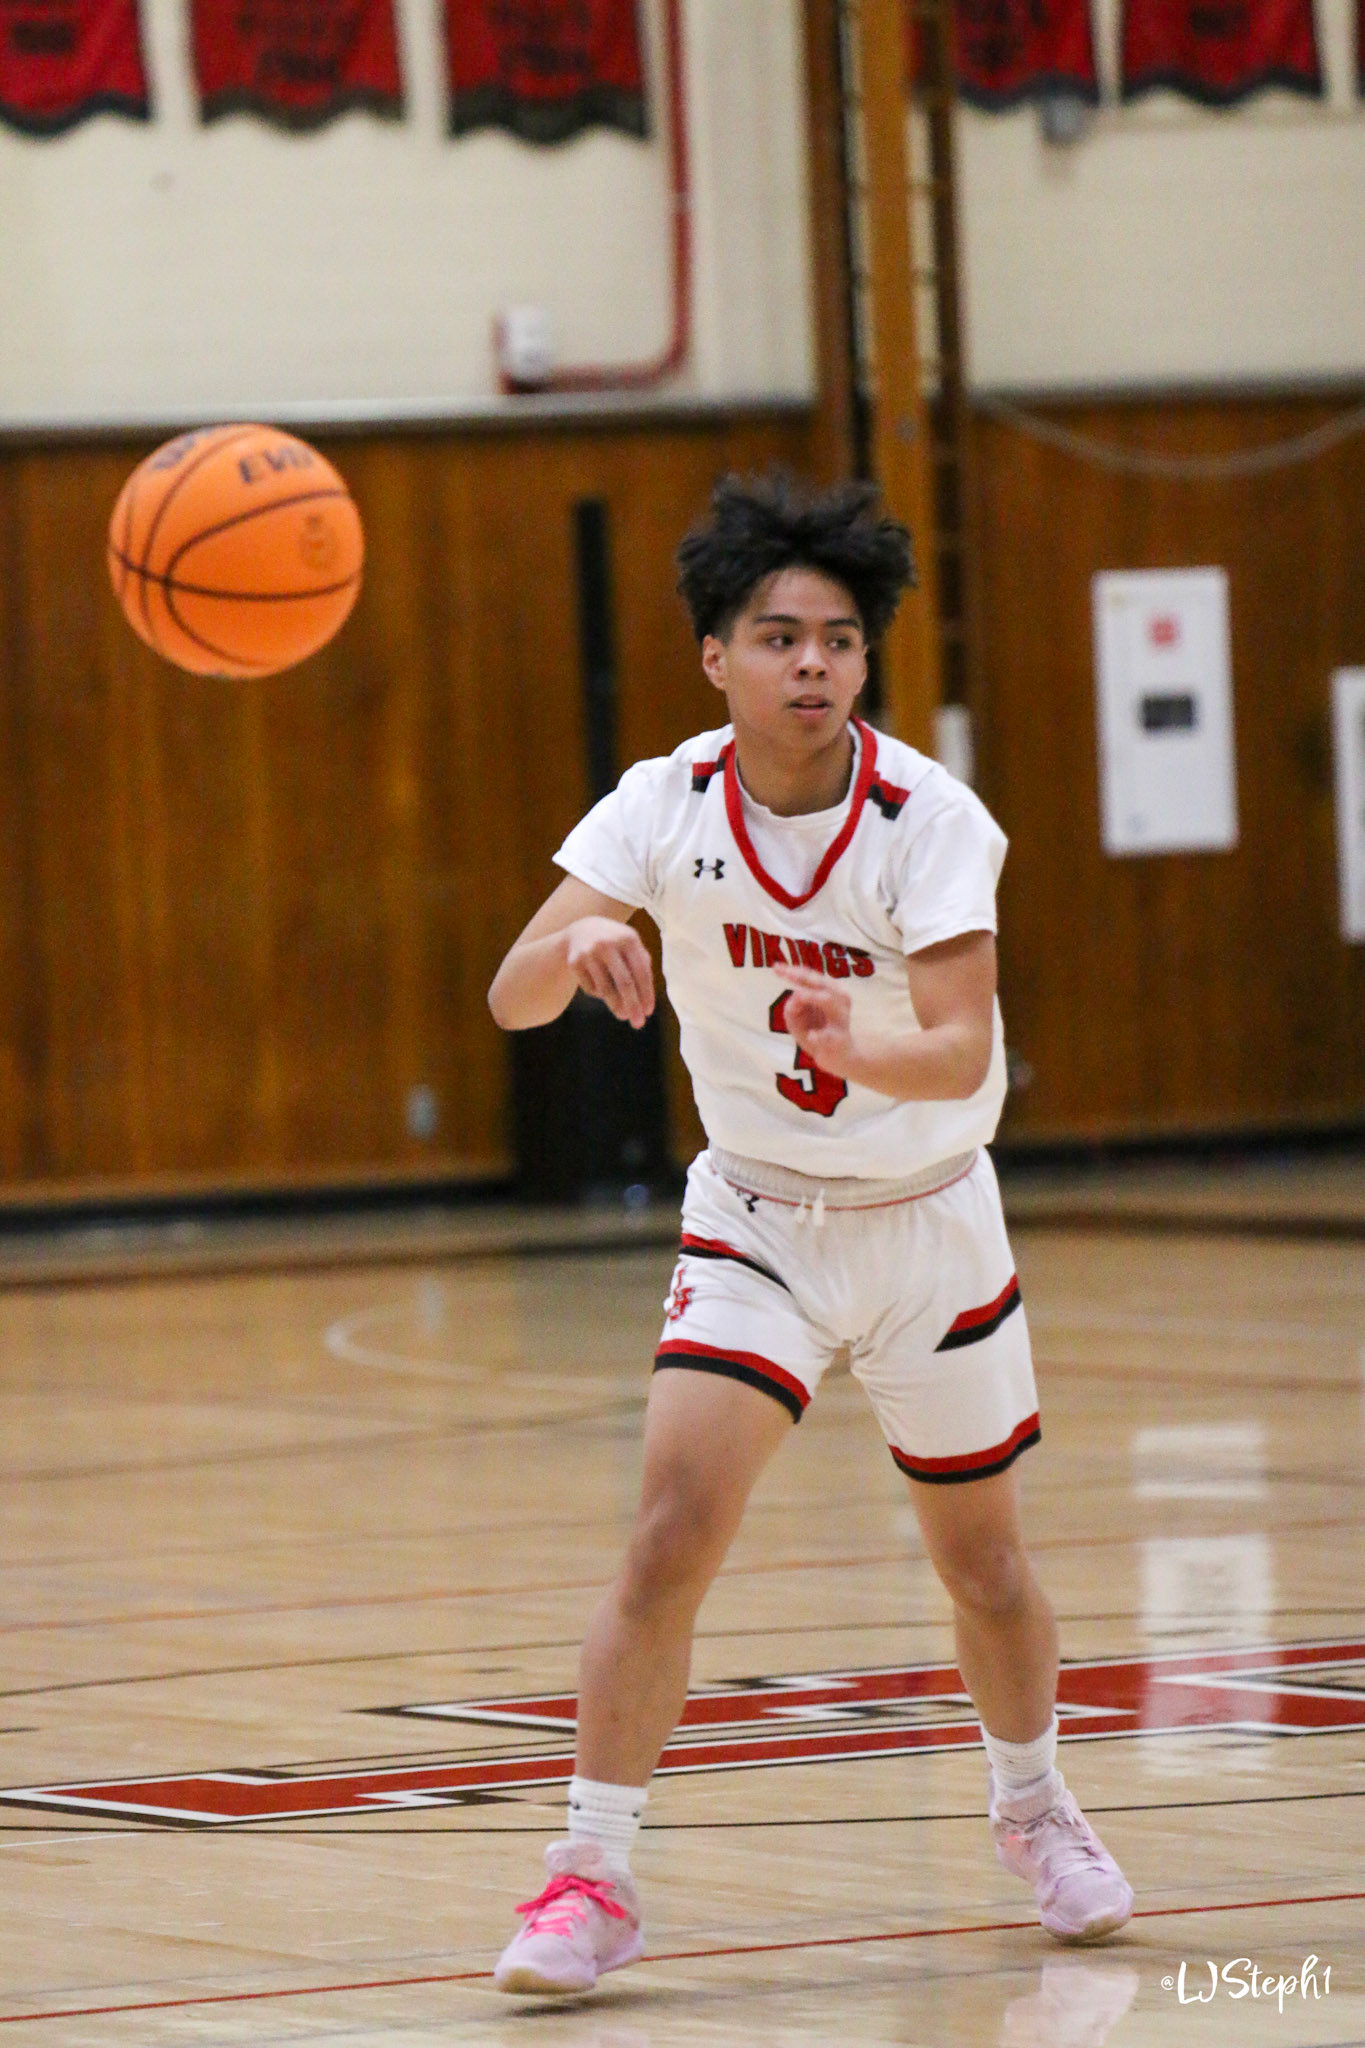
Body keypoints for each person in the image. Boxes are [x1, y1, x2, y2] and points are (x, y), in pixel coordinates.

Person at [486, 473, 1133, 1997]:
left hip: (927, 1224)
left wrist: (859, 1042)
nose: (813, 665)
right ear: (714, 656)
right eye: (779, 638)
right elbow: (511, 994)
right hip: (758, 1219)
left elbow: (959, 1052)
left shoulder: (929, 818)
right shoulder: (660, 801)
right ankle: (590, 1874)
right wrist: (583, 937)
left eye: (839, 640)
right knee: (668, 1534)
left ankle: (1033, 1806)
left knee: (983, 1564)